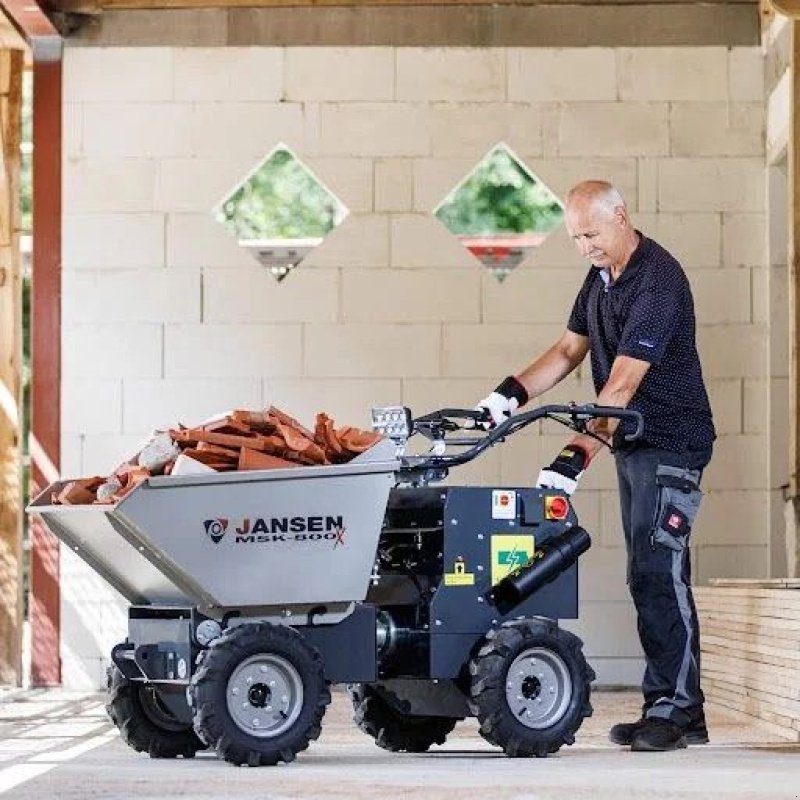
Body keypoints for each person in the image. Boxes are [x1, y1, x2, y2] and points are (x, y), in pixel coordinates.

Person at [477, 180, 715, 752]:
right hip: (636, 444)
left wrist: (574, 455)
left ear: (621, 217)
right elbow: (565, 352)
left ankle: (680, 711)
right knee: (643, 575)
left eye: (591, 233)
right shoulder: (600, 277)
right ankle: (667, 703)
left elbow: (624, 383)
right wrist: (505, 397)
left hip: (671, 442)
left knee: (661, 572)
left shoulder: (658, 280)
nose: (584, 246)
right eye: (576, 237)